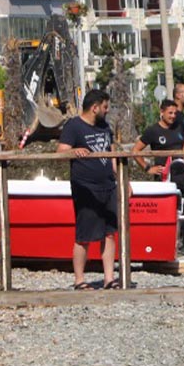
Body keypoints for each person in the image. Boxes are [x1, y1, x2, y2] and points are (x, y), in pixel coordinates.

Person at [57, 89, 119, 289]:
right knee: (84, 235)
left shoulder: (104, 127)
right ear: (95, 107)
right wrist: (74, 151)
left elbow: (112, 154)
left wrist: (122, 181)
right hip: (85, 187)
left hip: (108, 186)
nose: (107, 111)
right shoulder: (74, 126)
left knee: (109, 233)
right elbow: (61, 152)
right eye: (105, 107)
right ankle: (79, 279)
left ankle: (109, 278)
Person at [133, 98, 184, 253]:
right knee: (168, 207)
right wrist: (148, 168)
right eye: (170, 113)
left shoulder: (179, 127)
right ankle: (166, 241)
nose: (173, 116)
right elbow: (135, 151)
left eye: (175, 113)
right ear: (161, 112)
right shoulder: (153, 131)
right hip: (164, 176)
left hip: (181, 173)